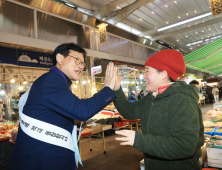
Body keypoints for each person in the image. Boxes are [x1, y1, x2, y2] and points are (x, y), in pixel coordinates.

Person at [6, 43, 117, 170]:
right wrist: (107, 89)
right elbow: (81, 110)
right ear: (59, 58)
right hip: (41, 161)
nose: (81, 66)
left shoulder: (56, 81)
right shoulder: (52, 80)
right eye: (77, 60)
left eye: (83, 63)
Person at [113, 49, 204, 170]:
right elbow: (129, 111)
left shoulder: (182, 100)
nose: (144, 77)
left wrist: (139, 140)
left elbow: (184, 146)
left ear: (163, 74)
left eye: (147, 71)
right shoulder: (150, 98)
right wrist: (116, 89)